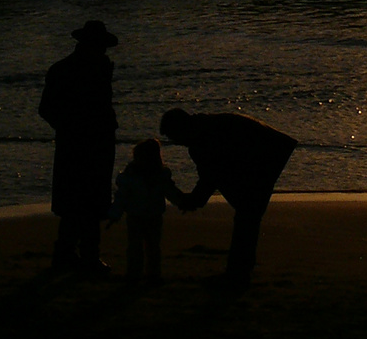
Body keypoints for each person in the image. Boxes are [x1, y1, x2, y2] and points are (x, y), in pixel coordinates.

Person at [159, 108, 298, 290]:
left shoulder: (203, 139)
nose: (177, 142)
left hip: (267, 153)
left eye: (174, 136)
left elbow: (210, 177)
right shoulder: (204, 130)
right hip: (265, 151)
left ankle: (238, 275)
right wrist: (195, 200)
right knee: (247, 215)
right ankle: (239, 272)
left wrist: (194, 201)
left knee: (247, 216)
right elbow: (212, 175)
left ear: (181, 128)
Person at [38, 19, 119, 273]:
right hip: (82, 141)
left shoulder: (69, 68)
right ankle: (82, 256)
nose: (104, 50)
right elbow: (47, 109)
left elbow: (47, 109)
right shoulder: (69, 69)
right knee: (85, 200)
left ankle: (70, 254)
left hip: (87, 140)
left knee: (82, 200)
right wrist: (72, 127)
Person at [107, 138, 181, 284]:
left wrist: (183, 203)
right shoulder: (131, 177)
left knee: (151, 246)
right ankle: (136, 273)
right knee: (137, 246)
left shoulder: (159, 176)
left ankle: (150, 273)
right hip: (137, 216)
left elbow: (171, 193)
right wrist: (114, 215)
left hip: (152, 216)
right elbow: (121, 198)